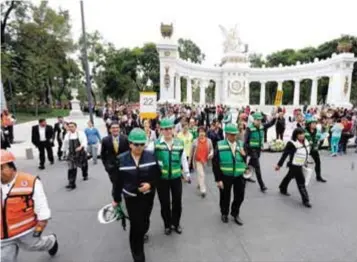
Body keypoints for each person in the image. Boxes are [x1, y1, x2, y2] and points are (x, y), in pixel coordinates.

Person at [112, 128, 161, 262]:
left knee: (144, 220)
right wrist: (116, 199)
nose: (139, 147)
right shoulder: (121, 160)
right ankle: (138, 255)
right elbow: (118, 182)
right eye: (136, 144)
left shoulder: (151, 156)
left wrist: (150, 185)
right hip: (131, 198)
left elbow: (158, 175)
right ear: (130, 144)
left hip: (148, 196)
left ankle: (143, 231)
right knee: (135, 225)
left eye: (142, 144)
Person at [0, 150, 58, 261]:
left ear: (12, 167)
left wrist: (40, 227)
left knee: (34, 245)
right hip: (3, 235)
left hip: (25, 230)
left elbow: (42, 207)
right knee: (5, 258)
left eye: (1, 168)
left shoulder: (31, 182)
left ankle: (51, 242)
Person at [154, 118, 190, 235]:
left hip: (176, 178)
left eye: (170, 128)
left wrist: (187, 173)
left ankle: (176, 223)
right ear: (161, 130)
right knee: (164, 203)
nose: (168, 131)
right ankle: (167, 225)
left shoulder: (179, 143)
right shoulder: (156, 145)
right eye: (165, 129)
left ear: (173, 129)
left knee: (177, 202)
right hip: (162, 179)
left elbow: (183, 159)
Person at [212, 124, 248, 225]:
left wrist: (244, 155)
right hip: (225, 176)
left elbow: (245, 159)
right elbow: (215, 163)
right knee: (224, 196)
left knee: (240, 196)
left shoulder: (241, 144)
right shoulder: (219, 145)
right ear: (226, 134)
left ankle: (235, 213)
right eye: (232, 134)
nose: (234, 136)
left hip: (239, 175)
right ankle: (224, 213)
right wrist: (218, 179)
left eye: (235, 134)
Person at [275, 128, 312, 208]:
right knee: (301, 181)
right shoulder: (292, 143)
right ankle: (306, 200)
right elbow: (284, 155)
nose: (302, 136)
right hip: (294, 165)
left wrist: (306, 161)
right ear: (296, 135)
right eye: (300, 134)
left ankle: (282, 187)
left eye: (303, 134)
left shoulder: (306, 141)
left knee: (290, 176)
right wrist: (279, 165)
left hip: (301, 164)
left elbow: (306, 152)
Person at [244, 112, 276, 191]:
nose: (259, 122)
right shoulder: (249, 129)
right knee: (257, 167)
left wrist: (275, 117)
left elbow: (271, 124)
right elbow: (245, 142)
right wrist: (249, 150)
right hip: (251, 150)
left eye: (260, 120)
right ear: (254, 120)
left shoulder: (262, 127)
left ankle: (245, 176)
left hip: (258, 150)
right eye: (257, 120)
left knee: (251, 163)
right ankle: (262, 185)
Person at [62, 122, 89, 190]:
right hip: (71, 154)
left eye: (72, 126)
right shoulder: (67, 135)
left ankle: (85, 174)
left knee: (84, 165)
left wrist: (81, 146)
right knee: (71, 168)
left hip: (80, 153)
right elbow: (65, 144)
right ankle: (71, 183)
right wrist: (64, 152)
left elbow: (84, 141)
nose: (71, 128)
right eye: (69, 126)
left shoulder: (80, 133)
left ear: (75, 127)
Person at [190, 126, 214, 198]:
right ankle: (203, 190)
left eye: (203, 132)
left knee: (201, 174)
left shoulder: (209, 141)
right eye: (200, 132)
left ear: (205, 133)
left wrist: (211, 154)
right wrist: (189, 161)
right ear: (198, 133)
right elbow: (191, 152)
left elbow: (211, 149)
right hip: (198, 160)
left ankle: (199, 183)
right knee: (201, 174)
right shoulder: (195, 141)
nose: (201, 133)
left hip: (205, 160)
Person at [305, 118, 327, 182]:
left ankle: (318, 176)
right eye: (313, 123)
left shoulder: (317, 131)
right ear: (309, 124)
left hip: (314, 149)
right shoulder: (304, 131)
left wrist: (321, 140)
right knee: (300, 163)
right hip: (306, 149)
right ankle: (294, 175)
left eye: (315, 123)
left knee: (318, 162)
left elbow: (320, 140)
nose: (315, 125)